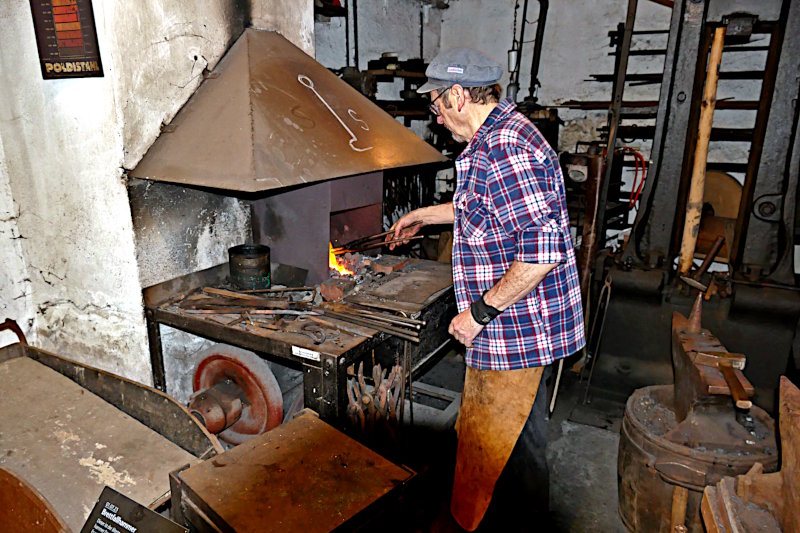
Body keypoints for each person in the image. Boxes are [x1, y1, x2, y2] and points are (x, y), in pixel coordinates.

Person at [388, 48, 585, 531]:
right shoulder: (487, 140)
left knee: (510, 446)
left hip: (518, 326)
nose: (436, 118)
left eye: (435, 105)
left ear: (457, 94)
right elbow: (482, 209)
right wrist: (423, 216)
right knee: (509, 438)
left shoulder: (507, 148)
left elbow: (541, 252)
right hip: (508, 324)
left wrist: (477, 313)